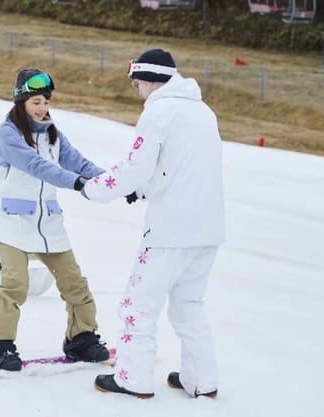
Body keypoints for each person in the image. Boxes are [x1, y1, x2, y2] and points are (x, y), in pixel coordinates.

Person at [82, 49, 225, 398]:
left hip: (169, 232)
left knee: (138, 305)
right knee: (188, 304)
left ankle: (132, 378)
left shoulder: (159, 111)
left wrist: (93, 188)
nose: (134, 86)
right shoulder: (203, 111)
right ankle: (201, 380)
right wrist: (143, 190)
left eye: (136, 79)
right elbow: (179, 169)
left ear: (149, 79)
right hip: (208, 229)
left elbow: (135, 167)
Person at [0, 68, 110, 372]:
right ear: (21, 101)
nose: (42, 108)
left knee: (74, 284)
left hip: (48, 222)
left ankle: (81, 338)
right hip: (12, 221)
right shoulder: (8, 133)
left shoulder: (52, 132)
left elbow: (79, 162)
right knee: (14, 285)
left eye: (46, 102)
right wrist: (77, 183)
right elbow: (35, 165)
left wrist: (115, 183)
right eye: (36, 102)